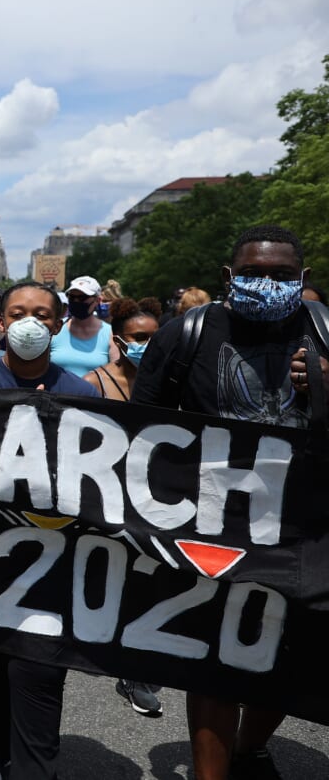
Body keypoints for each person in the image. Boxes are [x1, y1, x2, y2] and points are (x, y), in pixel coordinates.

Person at [132, 225, 329, 780]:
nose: (266, 283)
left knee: (288, 660)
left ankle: (249, 749)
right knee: (213, 659)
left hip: (306, 530)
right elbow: (140, 431)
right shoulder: (186, 334)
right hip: (213, 528)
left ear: (303, 278)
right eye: (253, 274)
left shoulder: (326, 332)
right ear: (229, 277)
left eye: (282, 276)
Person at [0, 281, 99, 780]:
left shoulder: (81, 393)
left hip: (54, 557)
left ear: (55, 325)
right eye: (17, 312)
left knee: (37, 667)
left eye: (40, 313)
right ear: (1, 322)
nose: (28, 321)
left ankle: (36, 766)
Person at [80, 298, 166, 718]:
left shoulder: (174, 382)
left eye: (155, 337)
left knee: (149, 582)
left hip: (157, 499)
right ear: (119, 340)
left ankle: (137, 671)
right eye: (139, 338)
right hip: (108, 499)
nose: (148, 345)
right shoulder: (93, 384)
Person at [50, 275, 116, 378]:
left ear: (97, 301)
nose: (76, 301)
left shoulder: (110, 333)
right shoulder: (55, 328)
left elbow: (116, 375)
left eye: (82, 298)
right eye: (72, 297)